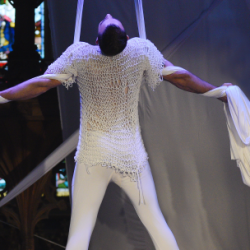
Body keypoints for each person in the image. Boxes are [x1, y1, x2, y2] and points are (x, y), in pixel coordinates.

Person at [0, 14, 230, 250]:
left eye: (107, 20)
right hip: (130, 158)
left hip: (94, 157)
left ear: (96, 43)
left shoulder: (80, 54)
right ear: (127, 38)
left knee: (80, 233)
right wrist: (218, 92)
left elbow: (41, 84)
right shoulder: (140, 51)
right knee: (156, 225)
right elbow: (181, 77)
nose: (108, 14)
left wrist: (2, 96)